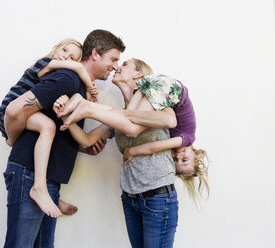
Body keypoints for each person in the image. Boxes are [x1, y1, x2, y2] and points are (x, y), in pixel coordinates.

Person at [54, 58, 208, 247]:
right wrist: (64, 116)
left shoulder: (158, 100)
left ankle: (86, 107)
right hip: (130, 199)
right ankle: (85, 107)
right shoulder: (118, 116)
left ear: (138, 75)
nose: (118, 67)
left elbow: (160, 122)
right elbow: (87, 140)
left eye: (125, 64)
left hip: (157, 198)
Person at [2, 29, 125, 248]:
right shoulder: (67, 78)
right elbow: (13, 111)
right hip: (29, 175)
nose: (116, 66)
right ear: (96, 54)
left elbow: (57, 128)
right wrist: (11, 138)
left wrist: (82, 148)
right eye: (114, 59)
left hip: (48, 180)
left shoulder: (78, 87)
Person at [0, 38, 98, 217]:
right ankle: (39, 188)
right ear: (56, 49)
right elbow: (78, 68)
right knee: (48, 126)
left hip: (25, 115)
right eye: (65, 50)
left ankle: (51, 196)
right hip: (9, 110)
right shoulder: (44, 63)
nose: (65, 57)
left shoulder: (58, 73)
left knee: (50, 126)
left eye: (72, 57)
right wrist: (90, 88)